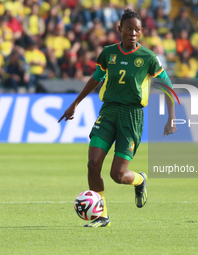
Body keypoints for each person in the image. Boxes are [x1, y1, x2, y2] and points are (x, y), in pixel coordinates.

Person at [58, 8, 176, 228]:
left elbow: (167, 85)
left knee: (118, 175)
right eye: (128, 28)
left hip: (132, 117)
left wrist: (171, 118)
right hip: (108, 112)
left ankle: (140, 180)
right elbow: (96, 78)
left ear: (141, 32)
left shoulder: (148, 57)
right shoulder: (108, 53)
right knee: (93, 164)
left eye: (137, 29)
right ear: (119, 28)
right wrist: (75, 103)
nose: (132, 33)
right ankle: (102, 216)